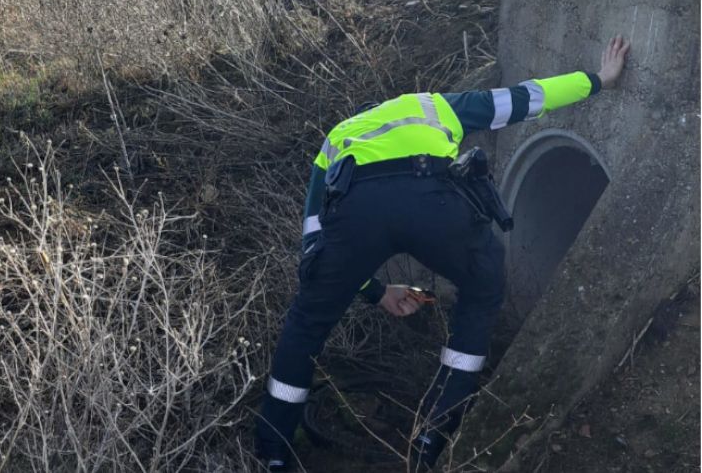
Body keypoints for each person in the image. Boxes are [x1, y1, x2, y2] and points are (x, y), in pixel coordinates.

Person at [255, 36, 631, 471]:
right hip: (433, 199)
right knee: (484, 285)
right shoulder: (434, 105)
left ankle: (274, 450)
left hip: (357, 208)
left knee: (307, 320)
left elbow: (314, 244)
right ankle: (436, 429)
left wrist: (374, 290)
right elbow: (527, 97)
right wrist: (599, 79)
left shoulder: (338, 137)